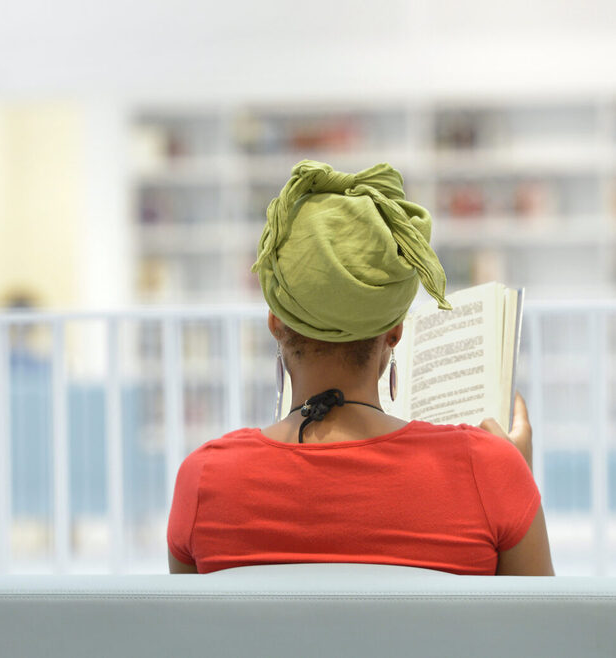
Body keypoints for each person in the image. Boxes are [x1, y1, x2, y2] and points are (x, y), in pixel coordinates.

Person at [167, 160, 553, 576]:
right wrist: (514, 479)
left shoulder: (204, 480)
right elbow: (538, 636)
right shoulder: (488, 469)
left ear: (276, 322)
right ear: (395, 332)